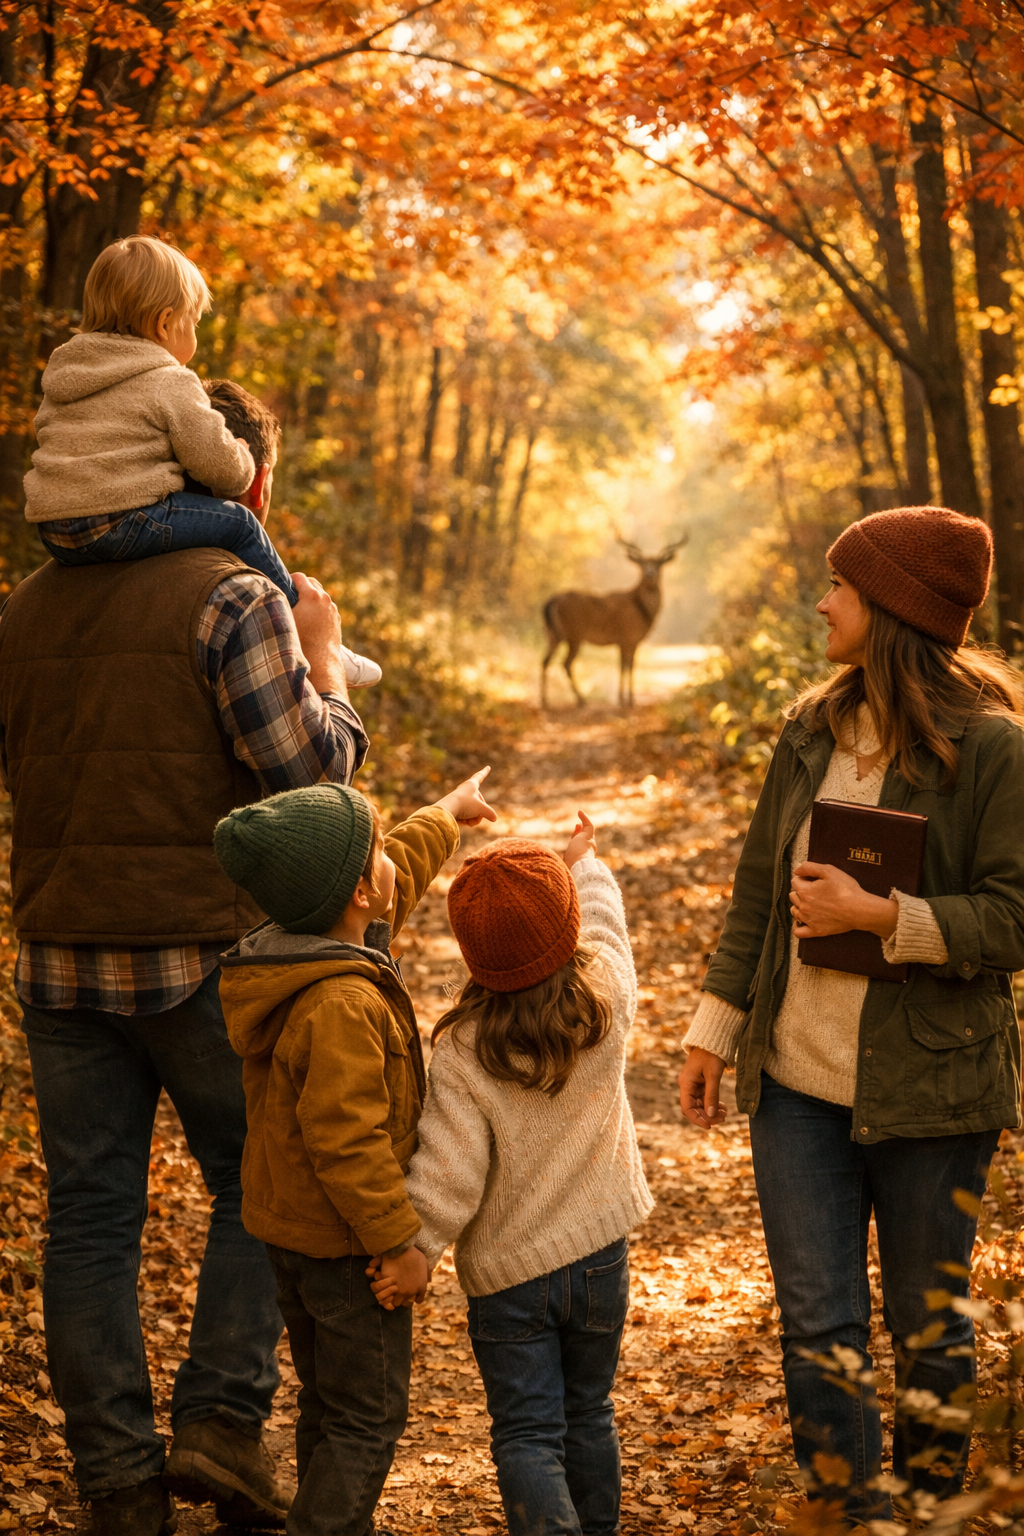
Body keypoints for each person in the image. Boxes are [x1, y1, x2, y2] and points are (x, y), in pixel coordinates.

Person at [0, 378, 371, 1536]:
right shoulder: (235, 595)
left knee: (88, 1217)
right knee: (256, 1183)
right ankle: (219, 1421)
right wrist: (324, 663)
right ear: (235, 477)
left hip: (60, 958)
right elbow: (310, 778)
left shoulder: (24, 609)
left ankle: (117, 1485)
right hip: (201, 953)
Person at [678, 506, 1024, 1525]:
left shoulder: (993, 749)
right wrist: (712, 1030)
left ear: (894, 609)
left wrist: (884, 917)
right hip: (796, 1086)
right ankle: (845, 1515)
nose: (822, 603)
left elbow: (1014, 917)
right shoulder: (809, 730)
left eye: (841, 586)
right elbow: (757, 890)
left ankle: (925, 1516)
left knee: (929, 1334)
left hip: (935, 1090)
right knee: (817, 1334)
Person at [214, 770, 497, 1536]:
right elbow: (346, 1141)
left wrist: (447, 812)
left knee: (328, 1403)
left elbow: (397, 869)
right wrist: (399, 1244)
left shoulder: (306, 948)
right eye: (375, 851)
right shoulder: (341, 1001)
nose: (389, 858)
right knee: (367, 1417)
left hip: (296, 1234)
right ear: (357, 895)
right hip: (346, 1250)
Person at [382, 816, 653, 1536]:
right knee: (589, 1411)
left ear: (475, 953)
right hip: (599, 1257)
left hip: (508, 1279)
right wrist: (584, 865)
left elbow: (450, 1172)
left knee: (528, 1432)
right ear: (567, 928)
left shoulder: (465, 1048)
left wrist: (417, 1250)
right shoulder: (606, 997)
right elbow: (607, 923)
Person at [24, 234, 379, 687]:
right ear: (164, 323)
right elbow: (221, 471)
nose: (193, 335)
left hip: (56, 533)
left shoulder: (66, 377)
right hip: (119, 522)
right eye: (192, 323)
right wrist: (241, 457)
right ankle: (306, 629)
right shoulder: (167, 379)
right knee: (239, 522)